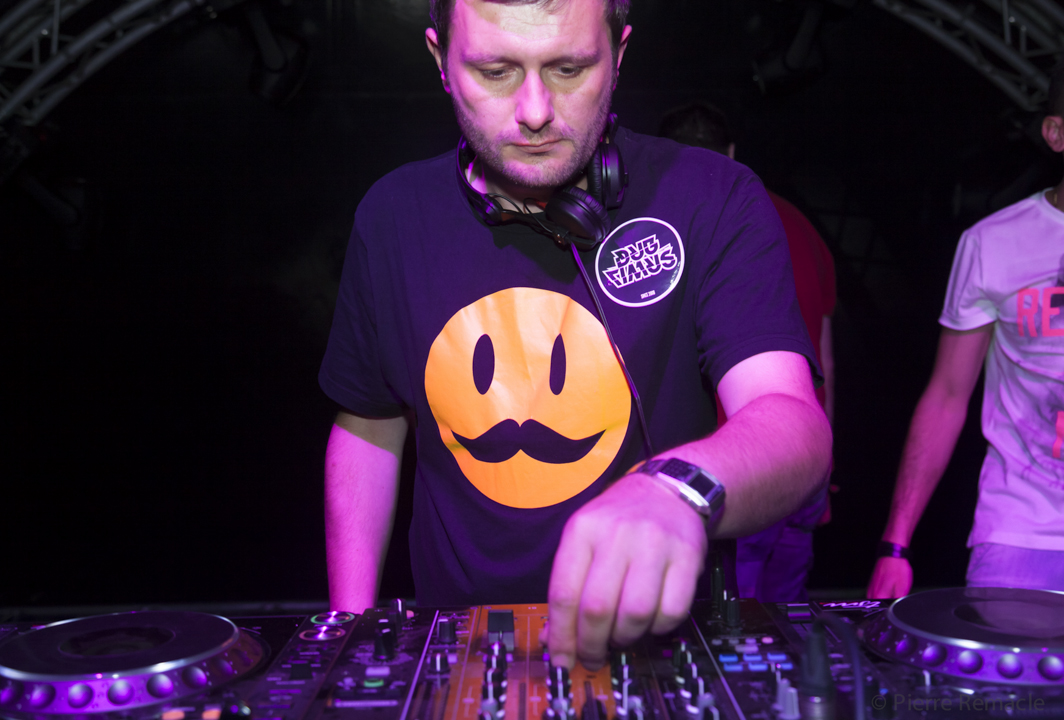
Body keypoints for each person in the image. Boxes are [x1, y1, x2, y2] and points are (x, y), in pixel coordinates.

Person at [319, 0, 832, 670]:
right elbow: (368, 430)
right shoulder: (392, 218)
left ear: (619, 56)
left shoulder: (713, 198)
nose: (535, 111)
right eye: (496, 71)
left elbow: (790, 419)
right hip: (462, 654)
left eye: (568, 69)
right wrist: (349, 636)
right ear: (440, 60)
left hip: (662, 651)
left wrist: (678, 488)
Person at [867, 65, 1064, 598]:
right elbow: (947, 395)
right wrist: (895, 546)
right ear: (1055, 134)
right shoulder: (993, 243)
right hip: (1020, 535)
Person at [659, 102, 837, 602]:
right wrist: (824, 455)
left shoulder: (677, 224)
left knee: (740, 620)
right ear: (733, 151)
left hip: (735, 465)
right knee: (788, 623)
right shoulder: (801, 224)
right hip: (802, 452)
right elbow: (824, 358)